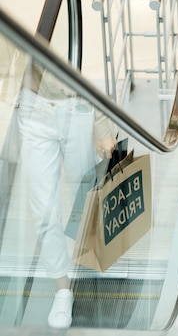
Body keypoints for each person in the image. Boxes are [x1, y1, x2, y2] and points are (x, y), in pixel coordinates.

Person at [16, 62, 116, 329]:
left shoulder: (59, 21)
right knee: (44, 210)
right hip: (33, 107)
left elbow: (79, 54)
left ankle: (91, 256)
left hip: (76, 105)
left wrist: (101, 125)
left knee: (84, 197)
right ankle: (63, 289)